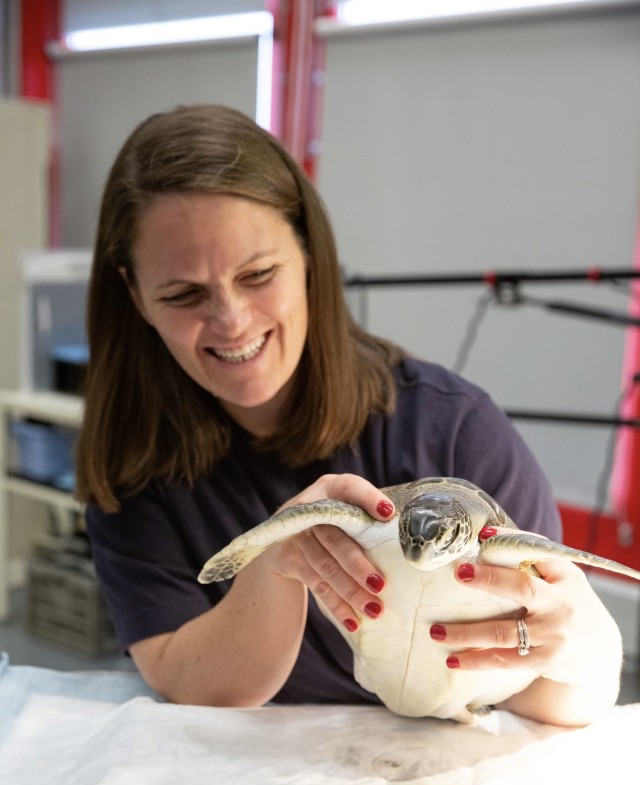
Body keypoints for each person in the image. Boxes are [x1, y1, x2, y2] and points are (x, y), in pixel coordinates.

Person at [76, 103, 622, 727]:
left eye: (258, 274)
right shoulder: (136, 463)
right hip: (246, 780)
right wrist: (274, 562)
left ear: (309, 255)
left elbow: (542, 695)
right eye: (183, 294)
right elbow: (185, 680)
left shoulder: (453, 432)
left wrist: (588, 653)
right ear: (135, 294)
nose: (231, 322)